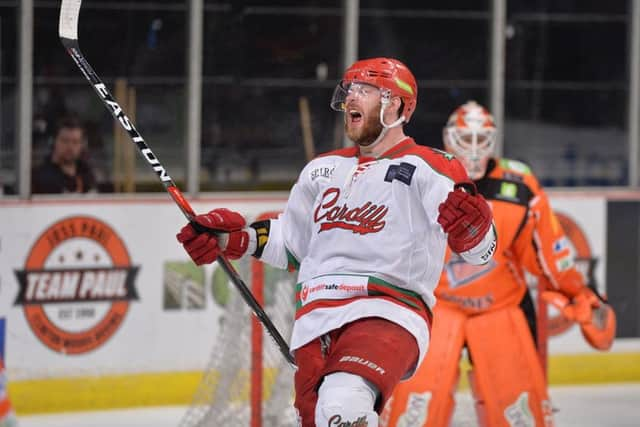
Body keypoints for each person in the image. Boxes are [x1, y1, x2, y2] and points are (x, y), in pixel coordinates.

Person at [176, 59, 497, 426]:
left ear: (395, 104)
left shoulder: (431, 167)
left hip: (387, 310)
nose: (350, 99)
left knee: (344, 400)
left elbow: (481, 251)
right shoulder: (320, 169)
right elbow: (293, 244)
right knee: (319, 417)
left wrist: (474, 230)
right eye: (349, 91)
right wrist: (232, 239)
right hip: (316, 319)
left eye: (364, 90)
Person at [381, 101, 617, 427]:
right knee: (412, 416)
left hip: (500, 306)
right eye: (466, 139)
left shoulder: (519, 185)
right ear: (449, 139)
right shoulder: (424, 175)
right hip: (435, 307)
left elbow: (550, 254)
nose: (475, 149)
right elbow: (393, 245)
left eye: (482, 140)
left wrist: (579, 292)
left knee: (518, 415)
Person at [31, 114, 97, 194]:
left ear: (82, 145)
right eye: (65, 141)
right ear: (53, 142)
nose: (70, 147)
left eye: (75, 142)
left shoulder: (86, 174)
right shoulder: (40, 176)